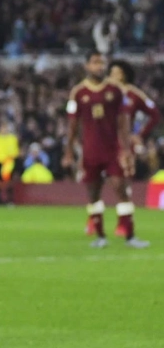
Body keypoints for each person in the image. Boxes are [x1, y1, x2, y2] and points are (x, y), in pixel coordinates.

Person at [62, 52, 145, 249]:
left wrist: (125, 149)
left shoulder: (115, 90)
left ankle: (130, 235)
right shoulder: (78, 93)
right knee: (93, 193)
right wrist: (68, 152)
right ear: (87, 66)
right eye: (95, 62)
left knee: (120, 188)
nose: (100, 66)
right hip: (90, 151)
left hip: (112, 150)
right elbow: (72, 125)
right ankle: (100, 235)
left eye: (102, 62)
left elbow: (123, 121)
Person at [107, 58, 160, 241]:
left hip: (124, 144)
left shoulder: (134, 94)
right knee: (99, 179)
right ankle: (94, 218)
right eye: (111, 73)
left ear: (125, 75)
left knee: (121, 182)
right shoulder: (105, 92)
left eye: (117, 73)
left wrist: (140, 135)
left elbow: (154, 115)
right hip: (104, 141)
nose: (113, 76)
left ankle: (125, 221)